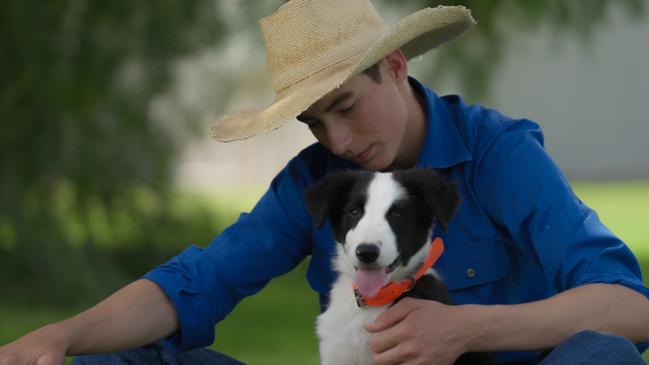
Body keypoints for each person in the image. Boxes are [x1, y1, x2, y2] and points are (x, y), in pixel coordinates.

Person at [1, 0, 648, 364]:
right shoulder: (315, 179)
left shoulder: (497, 152)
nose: (336, 142)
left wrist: (467, 327)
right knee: (119, 362)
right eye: (314, 122)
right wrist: (61, 335)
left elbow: (628, 307)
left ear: (393, 66)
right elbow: (196, 283)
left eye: (344, 106)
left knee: (601, 357)